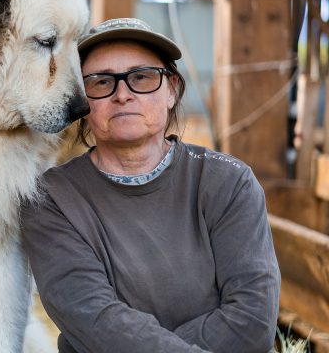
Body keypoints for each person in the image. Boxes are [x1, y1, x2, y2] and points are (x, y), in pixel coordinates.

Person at [21, 18, 280, 353]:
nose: (123, 95)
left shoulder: (229, 182)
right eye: (101, 83)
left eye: (141, 77)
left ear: (171, 89)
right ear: (83, 102)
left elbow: (253, 318)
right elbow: (95, 321)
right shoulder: (53, 199)